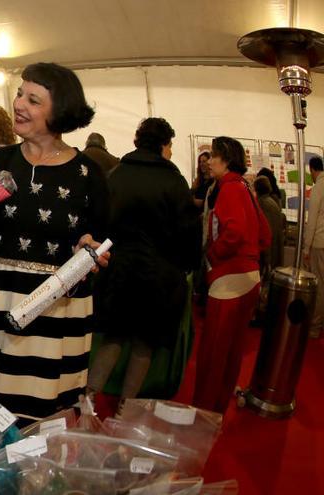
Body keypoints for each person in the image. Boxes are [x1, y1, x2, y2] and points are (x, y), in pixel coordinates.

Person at [0, 62, 108, 420]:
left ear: (61, 111)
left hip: (51, 308)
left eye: (33, 100)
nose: (19, 104)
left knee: (36, 412)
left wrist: (91, 249)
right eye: (20, 94)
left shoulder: (88, 175)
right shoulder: (1, 160)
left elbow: (98, 242)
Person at [88, 117, 200, 411]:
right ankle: (125, 408)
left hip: (117, 272)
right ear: (164, 144)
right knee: (143, 344)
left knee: (113, 337)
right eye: (171, 145)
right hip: (158, 278)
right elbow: (189, 234)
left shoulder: (116, 175)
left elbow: (98, 223)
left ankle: (87, 399)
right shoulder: (175, 181)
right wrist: (187, 265)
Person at [193, 136, 270, 413]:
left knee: (214, 351)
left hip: (229, 279)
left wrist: (213, 256)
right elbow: (265, 235)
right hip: (249, 277)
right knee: (232, 350)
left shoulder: (229, 189)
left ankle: (203, 410)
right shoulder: (245, 188)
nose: (209, 162)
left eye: (214, 156)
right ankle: (217, 408)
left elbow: (233, 232)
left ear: (226, 160)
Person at [303, 156, 324, 337]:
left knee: (320, 285)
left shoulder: (318, 187)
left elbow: (312, 221)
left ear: (311, 170)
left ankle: (315, 327)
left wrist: (306, 247)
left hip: (320, 242)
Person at [254, 176, 284, 280]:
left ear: (257, 189)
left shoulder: (263, 204)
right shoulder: (272, 202)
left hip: (270, 254)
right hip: (275, 250)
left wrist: (267, 260)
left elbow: (266, 232)